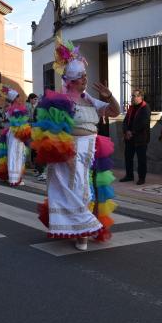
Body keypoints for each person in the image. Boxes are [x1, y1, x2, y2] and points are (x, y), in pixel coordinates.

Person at [33, 38, 120, 251]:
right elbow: (54, 131)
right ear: (71, 80)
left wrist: (109, 96)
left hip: (92, 150)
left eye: (85, 76)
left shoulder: (89, 99)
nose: (85, 80)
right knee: (74, 190)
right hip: (70, 150)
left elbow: (114, 111)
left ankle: (81, 229)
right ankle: (82, 231)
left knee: (89, 190)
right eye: (81, 77)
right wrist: (67, 155)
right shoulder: (62, 100)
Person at [0, 85, 30, 186]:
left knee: (12, 155)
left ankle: (12, 177)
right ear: (14, 98)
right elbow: (18, 123)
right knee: (16, 155)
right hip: (16, 134)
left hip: (12, 133)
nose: (19, 99)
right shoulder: (15, 109)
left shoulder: (11, 109)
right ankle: (14, 179)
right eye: (18, 97)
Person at [121, 89, 151, 185]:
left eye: (134, 96)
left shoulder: (145, 108)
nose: (132, 98)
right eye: (132, 96)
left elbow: (143, 123)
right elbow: (125, 121)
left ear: (140, 97)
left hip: (141, 138)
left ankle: (141, 178)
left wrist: (132, 132)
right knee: (128, 157)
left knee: (141, 159)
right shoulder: (131, 108)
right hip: (129, 138)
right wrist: (126, 131)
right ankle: (129, 175)